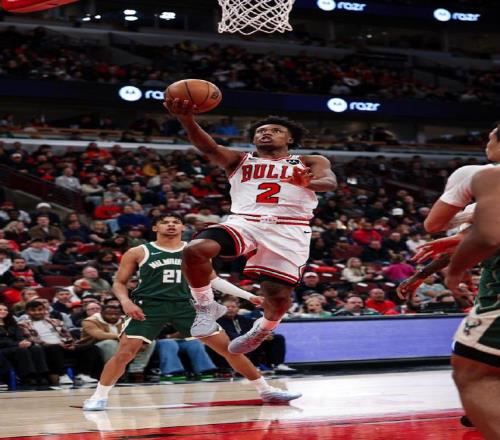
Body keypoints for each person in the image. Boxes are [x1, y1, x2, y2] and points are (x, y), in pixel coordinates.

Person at [164, 100, 337, 354]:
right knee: (195, 249)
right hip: (244, 222)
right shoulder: (239, 160)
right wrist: (186, 119)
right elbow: (208, 147)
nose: (266, 133)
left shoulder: (309, 160)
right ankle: (205, 306)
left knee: (277, 297)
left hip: (289, 229)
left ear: (290, 139)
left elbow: (329, 182)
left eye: (276, 130)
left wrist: (309, 184)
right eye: (261, 131)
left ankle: (264, 328)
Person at [83, 214, 301, 411]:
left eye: (176, 222)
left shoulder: (195, 250)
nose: (171, 225)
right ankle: (98, 396)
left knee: (230, 349)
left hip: (188, 306)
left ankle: (266, 390)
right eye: (165, 222)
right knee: (125, 353)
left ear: (182, 227)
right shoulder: (139, 251)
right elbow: (119, 282)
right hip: (149, 306)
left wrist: (247, 296)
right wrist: (125, 302)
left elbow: (213, 279)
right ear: (155, 227)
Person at [442, 166, 500, 439]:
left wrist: (455, 270)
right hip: (487, 290)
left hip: (493, 295)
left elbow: (486, 236)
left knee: (473, 370)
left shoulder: (490, 179)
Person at [79, 305, 155, 382]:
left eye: (116, 314)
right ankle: (114, 372)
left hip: (121, 343)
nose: (113, 316)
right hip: (94, 346)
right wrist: (125, 337)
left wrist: (139, 341)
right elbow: (99, 335)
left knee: (148, 341)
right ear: (101, 313)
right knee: (110, 343)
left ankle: (136, 370)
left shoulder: (125, 320)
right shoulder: (90, 321)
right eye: (109, 314)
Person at [0, 303, 49, 385]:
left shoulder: (11, 323)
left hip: (16, 346)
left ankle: (42, 375)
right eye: (0, 310)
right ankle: (27, 377)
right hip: (3, 349)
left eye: (5, 310)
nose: (3, 311)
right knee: (22, 350)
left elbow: (20, 337)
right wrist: (17, 344)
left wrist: (26, 342)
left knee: (36, 348)